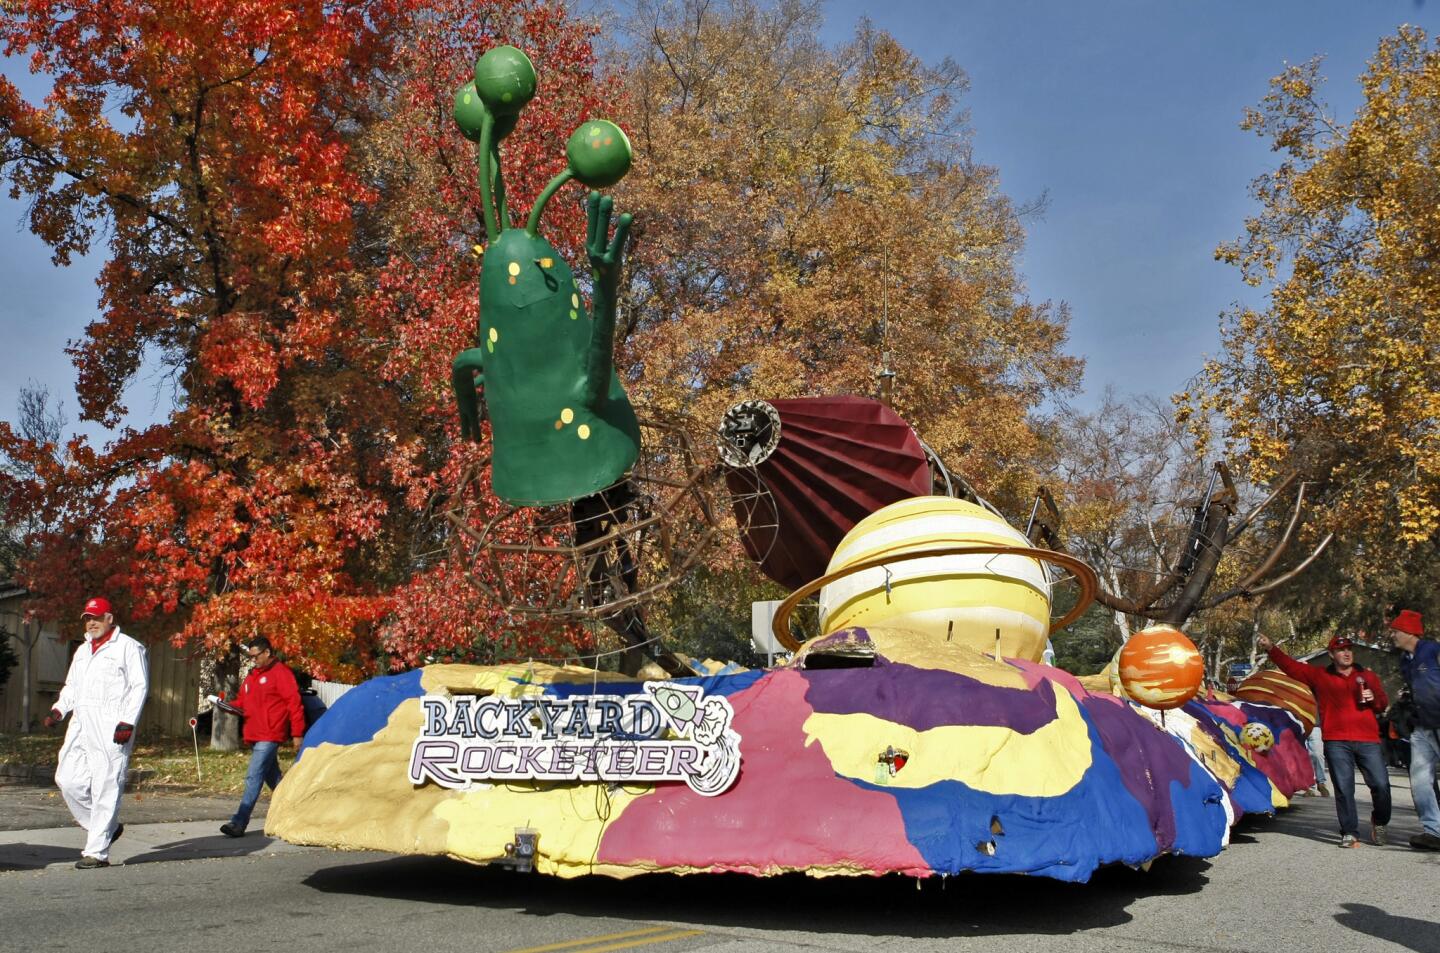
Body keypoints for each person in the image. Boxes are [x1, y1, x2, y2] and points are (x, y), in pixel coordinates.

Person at [42, 597, 148, 869]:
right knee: (67, 778)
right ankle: (105, 828)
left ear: (109, 618)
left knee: (105, 784)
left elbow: (139, 687)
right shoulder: (83, 650)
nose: (91, 623)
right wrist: (59, 710)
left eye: (97, 617)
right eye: (88, 618)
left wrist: (127, 722)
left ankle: (97, 851)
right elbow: (72, 686)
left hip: (112, 723)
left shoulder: (128, 648)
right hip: (81, 721)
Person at [1257, 632, 1390, 848]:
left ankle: (1380, 821)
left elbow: (1383, 704)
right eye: (1340, 650)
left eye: (1348, 649)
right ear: (1331, 654)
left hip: (1368, 740)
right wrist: (1271, 648)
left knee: (1381, 785)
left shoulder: (1367, 676)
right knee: (1344, 788)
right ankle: (1349, 832)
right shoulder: (1319, 676)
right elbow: (1292, 667)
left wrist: (1375, 699)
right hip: (1337, 741)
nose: (1346, 653)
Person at [212, 636, 305, 837]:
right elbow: (243, 704)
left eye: (256, 656)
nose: (253, 660)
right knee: (276, 782)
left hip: (270, 734)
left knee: (253, 776)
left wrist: (297, 734)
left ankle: (239, 822)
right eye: (251, 657)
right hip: (255, 735)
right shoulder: (252, 676)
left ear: (267, 653)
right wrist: (224, 705)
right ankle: (299, 814)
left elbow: (294, 704)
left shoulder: (282, 674)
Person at [1386, 609, 1440, 851]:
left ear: (1409, 632)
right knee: (1419, 779)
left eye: (1396, 631)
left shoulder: (1433, 650)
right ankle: (1434, 831)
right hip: (1421, 726)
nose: (1393, 636)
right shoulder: (1405, 661)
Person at [1304, 726, 1330, 797]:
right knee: (1304, 757)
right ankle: (1310, 787)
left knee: (1317, 754)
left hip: (1314, 725)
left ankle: (1321, 783)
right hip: (1297, 725)